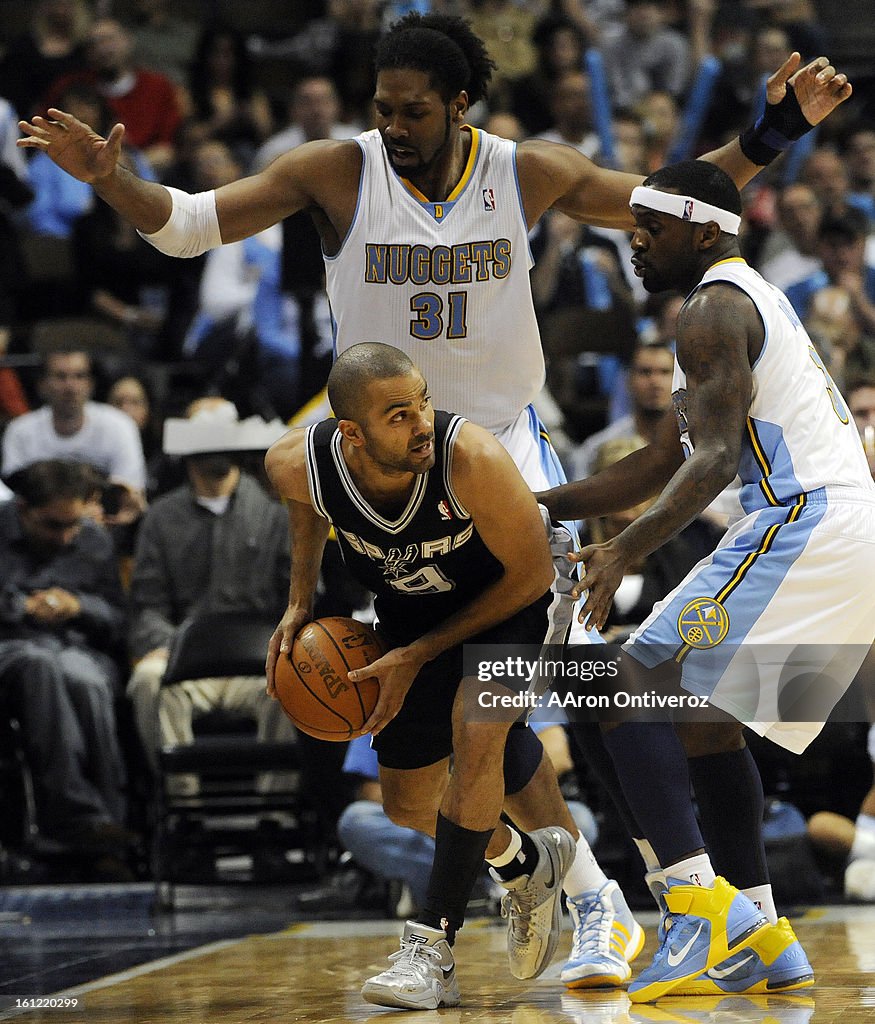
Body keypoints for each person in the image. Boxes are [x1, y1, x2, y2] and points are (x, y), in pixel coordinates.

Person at [18, 11, 852, 982]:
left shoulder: (524, 170)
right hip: (394, 468)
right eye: (383, 107)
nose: (395, 124)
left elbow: (666, 202)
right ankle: (563, 879)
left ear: (460, 104)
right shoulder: (335, 171)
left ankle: (625, 907)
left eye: (413, 110)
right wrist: (112, 179)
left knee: (521, 697)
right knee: (414, 787)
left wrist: (773, 133)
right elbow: (188, 225)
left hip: (501, 459)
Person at [539, 158, 875, 1001]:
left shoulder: (712, 307)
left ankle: (692, 913)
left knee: (622, 682)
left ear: (702, 227)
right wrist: (529, 499)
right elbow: (659, 461)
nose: (636, 247)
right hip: (838, 532)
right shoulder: (741, 302)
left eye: (649, 232)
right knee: (705, 728)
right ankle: (761, 935)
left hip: (803, 520)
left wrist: (622, 551)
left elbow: (716, 462)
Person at [264, 343, 621, 1009]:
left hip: (515, 604)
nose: (422, 420)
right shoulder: (294, 461)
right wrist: (299, 602)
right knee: (405, 803)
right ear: (351, 434)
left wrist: (419, 654)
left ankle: (430, 948)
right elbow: (306, 505)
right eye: (398, 414)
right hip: (409, 618)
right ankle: (520, 860)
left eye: (422, 401)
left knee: (479, 726)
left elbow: (531, 578)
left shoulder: (470, 457)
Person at [126, 397, 294, 797]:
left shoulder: (274, 516)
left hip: (258, 664)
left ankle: (276, 814)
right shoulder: (161, 519)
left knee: (297, 684)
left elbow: (297, 596)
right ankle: (182, 811)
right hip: (183, 659)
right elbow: (148, 602)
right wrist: (167, 647)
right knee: (147, 682)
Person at [0, 460, 134, 876]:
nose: (64, 536)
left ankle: (109, 821)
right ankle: (76, 814)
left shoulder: (92, 539)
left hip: (78, 647)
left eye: (72, 525)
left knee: (86, 681)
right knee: (39, 665)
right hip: (10, 645)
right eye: (52, 526)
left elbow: (117, 618)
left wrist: (79, 606)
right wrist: (22, 605)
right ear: (24, 509)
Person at [1, 349, 147, 528]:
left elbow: (128, 492)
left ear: (91, 384)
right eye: (61, 377)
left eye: (79, 376)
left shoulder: (120, 426)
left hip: (105, 528)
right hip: (37, 532)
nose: (70, 386)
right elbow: (12, 499)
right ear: (42, 385)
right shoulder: (20, 431)